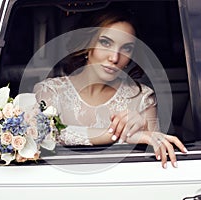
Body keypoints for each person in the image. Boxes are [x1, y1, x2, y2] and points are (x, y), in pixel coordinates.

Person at [33, 9, 187, 169]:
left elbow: (156, 158)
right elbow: (43, 137)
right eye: (106, 43)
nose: (114, 58)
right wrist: (117, 134)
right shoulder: (50, 91)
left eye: (127, 48)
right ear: (88, 44)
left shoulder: (142, 97)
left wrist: (144, 130)